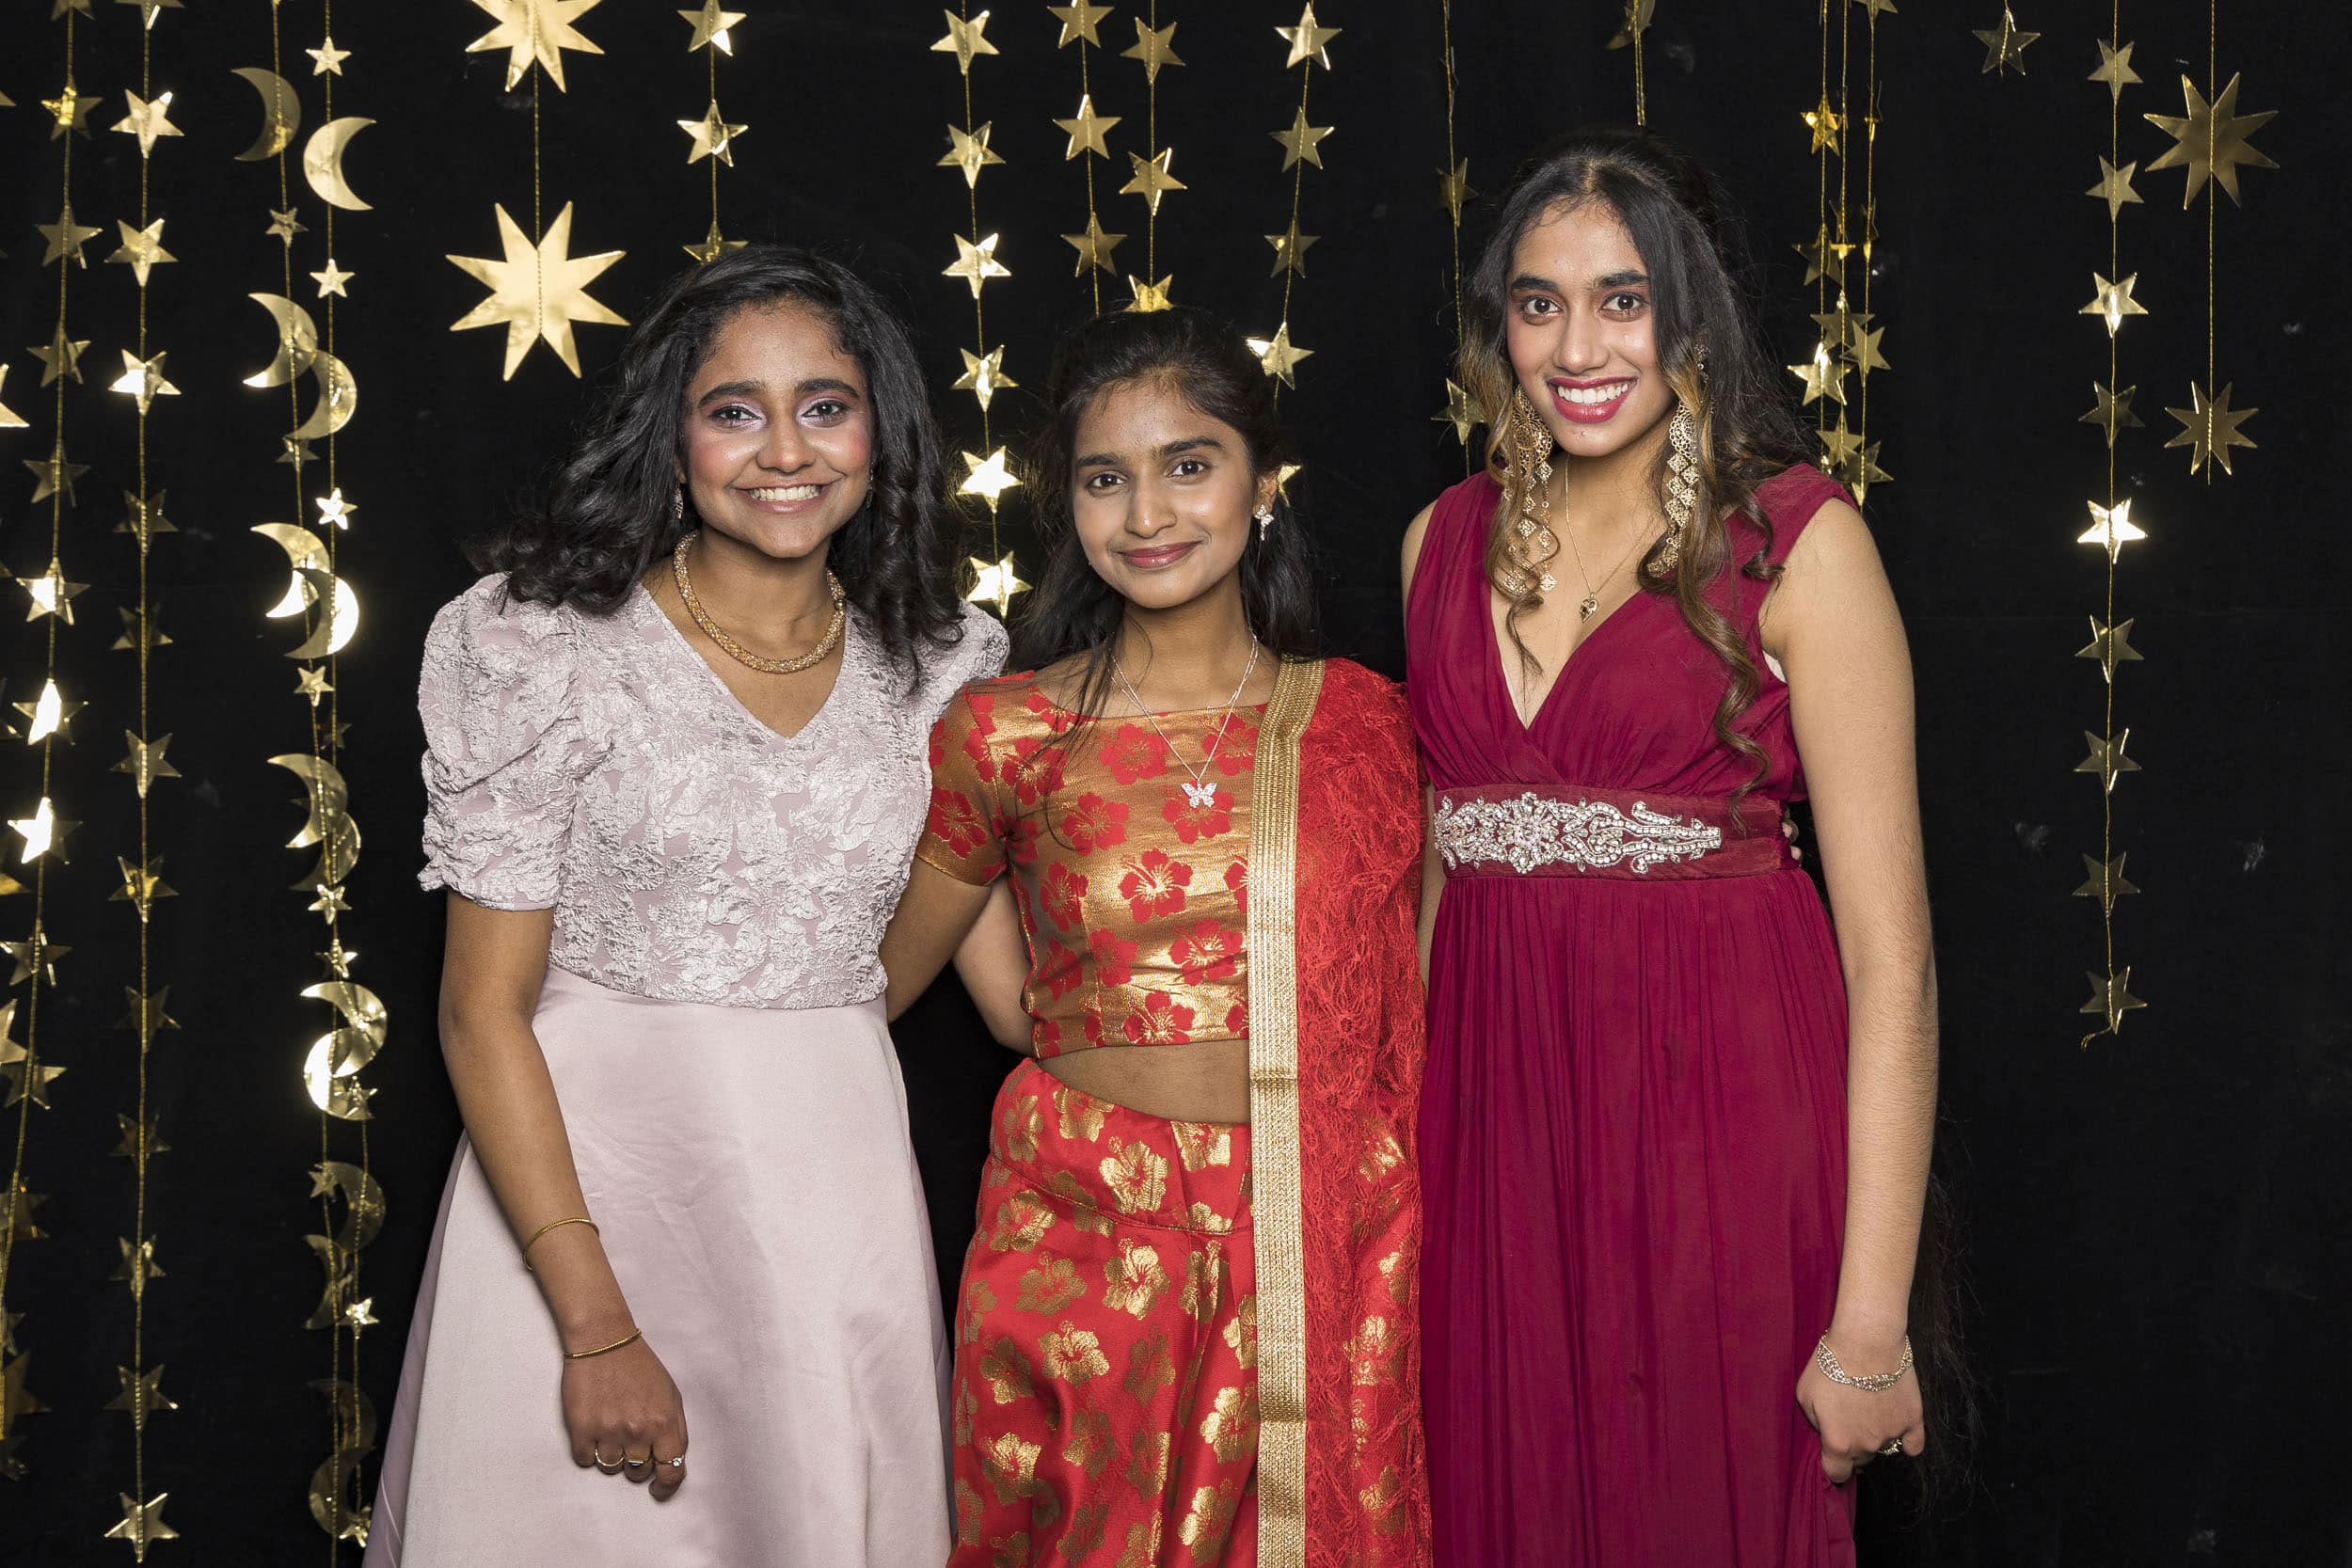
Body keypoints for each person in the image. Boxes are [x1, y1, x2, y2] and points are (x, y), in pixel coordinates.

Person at [367, 246, 1005, 1566]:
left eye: (824, 405)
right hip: (584, 1205)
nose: (786, 448)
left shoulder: (945, 668)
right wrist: (595, 1326)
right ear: (672, 438)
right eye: (735, 410)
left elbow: (1001, 985)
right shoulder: (542, 647)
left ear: (880, 433)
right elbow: (482, 1014)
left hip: (833, 1207)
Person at [1401, 127, 1939, 1565]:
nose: (1578, 345)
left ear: (1689, 315)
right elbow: (1440, 889)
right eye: (1538, 302)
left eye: (1622, 300)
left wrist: (1872, 1324)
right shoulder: (1435, 545)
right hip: (1493, 1136)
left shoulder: (1802, 545)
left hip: (1720, 1127)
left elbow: (1895, 964)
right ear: (1495, 324)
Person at [881, 307, 1431, 1565]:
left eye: (1189, 465)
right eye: (1103, 479)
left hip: (1326, 1235)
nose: (1148, 514)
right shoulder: (1004, 734)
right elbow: (922, 994)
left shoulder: (1367, 729)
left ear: (1262, 484)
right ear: (1063, 506)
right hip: (1078, 1241)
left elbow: (1422, 997)